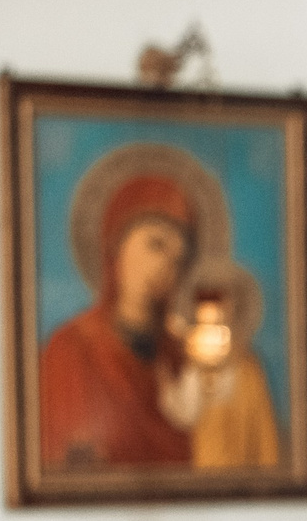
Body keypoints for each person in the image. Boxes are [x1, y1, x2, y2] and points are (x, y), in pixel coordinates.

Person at [37, 173, 198, 469]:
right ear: (116, 244)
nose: (164, 266)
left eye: (178, 260)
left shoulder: (180, 358)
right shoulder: (69, 349)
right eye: (155, 245)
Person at [163, 276, 282, 469]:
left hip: (243, 471)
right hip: (201, 470)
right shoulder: (190, 367)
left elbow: (264, 433)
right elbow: (182, 415)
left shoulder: (248, 369)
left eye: (218, 316)